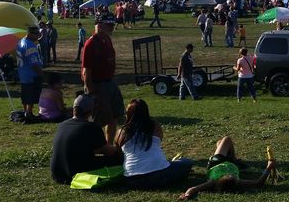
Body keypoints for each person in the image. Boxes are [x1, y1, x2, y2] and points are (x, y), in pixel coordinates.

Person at [115, 99, 193, 189]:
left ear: (128, 113)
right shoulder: (155, 126)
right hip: (159, 176)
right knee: (187, 162)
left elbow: (119, 154)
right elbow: (157, 144)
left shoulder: (120, 133)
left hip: (132, 180)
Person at [178, 136, 278, 200]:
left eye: (227, 175)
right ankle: (233, 158)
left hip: (217, 161)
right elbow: (258, 183)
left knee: (225, 140)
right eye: (232, 175)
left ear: (220, 180)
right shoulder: (237, 181)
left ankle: (227, 152)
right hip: (232, 163)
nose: (230, 174)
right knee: (222, 142)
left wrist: (187, 195)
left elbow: (193, 189)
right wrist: (269, 168)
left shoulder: (213, 182)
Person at [50, 94, 121, 184]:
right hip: (76, 174)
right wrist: (119, 148)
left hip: (58, 174)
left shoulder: (62, 125)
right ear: (90, 111)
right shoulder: (91, 127)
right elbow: (108, 151)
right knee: (116, 158)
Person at [82, 15, 125, 143]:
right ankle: (95, 147)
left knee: (114, 116)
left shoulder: (107, 40)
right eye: (109, 25)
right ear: (99, 25)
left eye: (112, 25)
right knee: (98, 119)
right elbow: (86, 71)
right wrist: (91, 93)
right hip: (97, 84)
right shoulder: (91, 43)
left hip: (109, 82)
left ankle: (109, 145)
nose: (111, 28)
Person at [17, 25, 44, 120]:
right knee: (31, 94)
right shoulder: (30, 45)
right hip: (31, 74)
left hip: (23, 73)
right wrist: (41, 73)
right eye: (36, 34)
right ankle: (29, 113)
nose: (38, 36)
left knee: (25, 94)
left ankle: (25, 111)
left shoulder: (21, 42)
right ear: (29, 33)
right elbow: (34, 63)